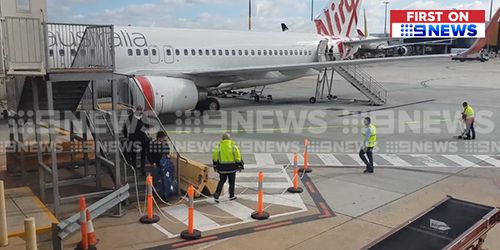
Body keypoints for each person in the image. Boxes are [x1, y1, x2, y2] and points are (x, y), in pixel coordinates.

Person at [212, 133, 244, 203]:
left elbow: (215, 157)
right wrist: (239, 165)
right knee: (231, 182)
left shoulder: (219, 146)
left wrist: (215, 165)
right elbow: (238, 156)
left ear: (222, 139)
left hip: (222, 167)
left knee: (222, 181)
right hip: (232, 168)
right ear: (229, 139)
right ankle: (231, 195)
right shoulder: (233, 146)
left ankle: (217, 194)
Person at [149, 131, 176, 198]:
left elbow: (167, 152)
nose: (164, 139)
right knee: (158, 180)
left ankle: (166, 194)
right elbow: (150, 155)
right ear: (159, 138)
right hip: (157, 164)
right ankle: (159, 193)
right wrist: (152, 162)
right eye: (163, 138)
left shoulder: (165, 144)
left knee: (166, 179)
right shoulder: (153, 144)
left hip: (164, 164)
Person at [124, 106, 150, 175]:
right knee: (133, 153)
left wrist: (142, 131)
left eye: (141, 111)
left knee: (143, 153)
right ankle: (134, 166)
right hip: (133, 137)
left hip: (142, 137)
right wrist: (126, 135)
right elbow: (125, 126)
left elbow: (147, 126)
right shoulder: (131, 117)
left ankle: (142, 168)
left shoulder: (143, 117)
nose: (141, 113)